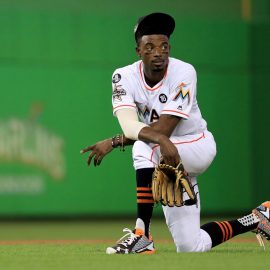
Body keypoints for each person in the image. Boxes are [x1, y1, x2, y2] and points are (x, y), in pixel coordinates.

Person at [81, 12, 270, 254]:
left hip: (197, 145)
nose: (158, 52)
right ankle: (256, 218)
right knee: (190, 245)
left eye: (164, 46)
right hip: (166, 154)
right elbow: (129, 126)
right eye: (149, 46)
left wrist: (115, 141)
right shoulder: (123, 76)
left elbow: (164, 129)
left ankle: (142, 235)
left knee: (144, 146)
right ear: (138, 50)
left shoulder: (184, 72)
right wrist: (148, 139)